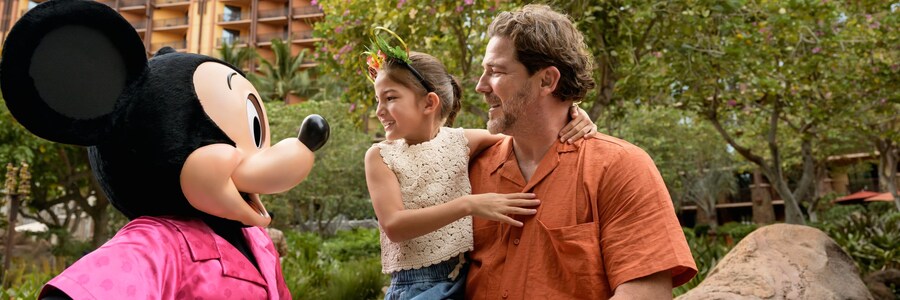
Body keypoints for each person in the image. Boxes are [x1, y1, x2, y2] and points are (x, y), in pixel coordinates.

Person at [466, 4, 698, 299]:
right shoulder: (470, 167)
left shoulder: (620, 167)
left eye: (496, 72)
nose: (480, 86)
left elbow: (645, 291)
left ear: (547, 80)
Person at [361, 28, 598, 300]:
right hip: (416, 286)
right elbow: (394, 225)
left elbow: (524, 129)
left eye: (390, 98)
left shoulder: (461, 142)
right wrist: (470, 204)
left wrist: (574, 114)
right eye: (377, 99)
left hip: (464, 278)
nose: (379, 110)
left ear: (429, 103)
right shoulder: (381, 156)